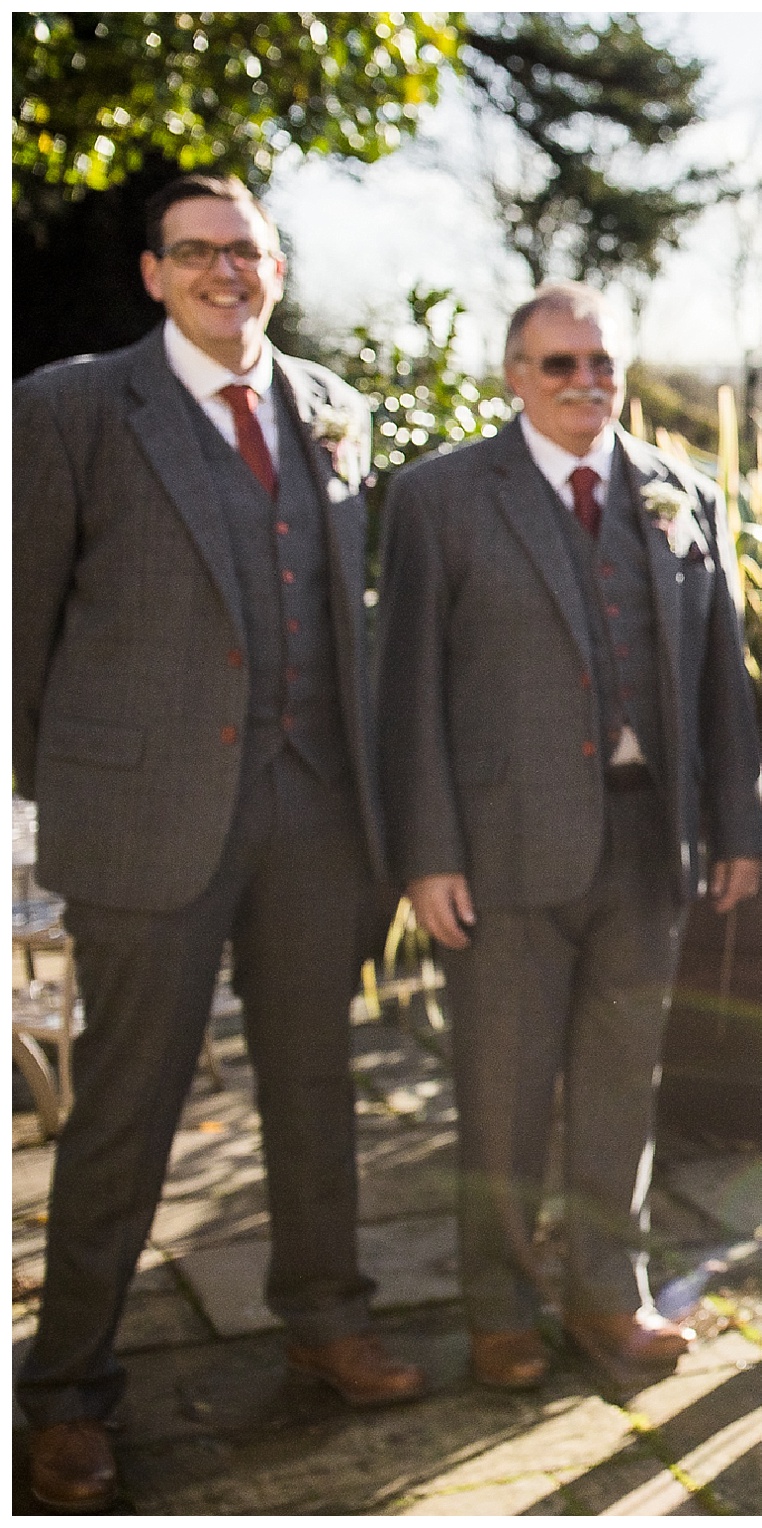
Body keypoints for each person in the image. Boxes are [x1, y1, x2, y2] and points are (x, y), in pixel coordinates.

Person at [13, 173, 424, 1510]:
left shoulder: (332, 412)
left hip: (315, 814)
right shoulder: (69, 409)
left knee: (316, 1088)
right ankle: (68, 1393)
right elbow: (17, 634)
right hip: (143, 821)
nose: (223, 273)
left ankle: (326, 1321)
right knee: (125, 1112)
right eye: (195, 254)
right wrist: (37, 810)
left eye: (245, 252)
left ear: (279, 269)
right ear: (151, 276)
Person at [376, 280, 762, 1394]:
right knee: (501, 1092)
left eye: (602, 364)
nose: (586, 383)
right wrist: (426, 851)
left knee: (621, 1085)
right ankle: (498, 1305)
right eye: (560, 365)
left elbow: (719, 675)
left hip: (650, 846)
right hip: (500, 856)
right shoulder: (442, 497)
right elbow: (404, 688)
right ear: (515, 375)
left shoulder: (679, 491)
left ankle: (608, 1293)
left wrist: (737, 821)